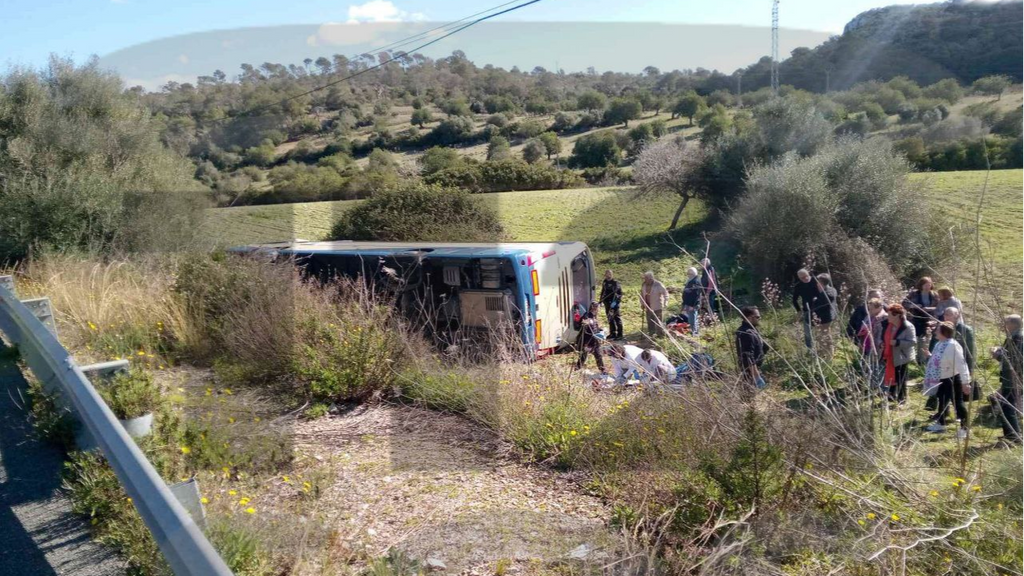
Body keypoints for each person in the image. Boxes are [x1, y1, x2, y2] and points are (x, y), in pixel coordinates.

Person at [924, 322, 971, 439]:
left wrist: (966, 382)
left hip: (952, 378)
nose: (935, 332)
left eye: (937, 330)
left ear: (943, 333)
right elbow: (940, 359)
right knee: (942, 400)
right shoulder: (940, 343)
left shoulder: (952, 346)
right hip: (941, 378)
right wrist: (930, 356)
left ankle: (965, 428)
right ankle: (941, 423)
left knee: (958, 403)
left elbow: (961, 364)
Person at [927, 307, 976, 411]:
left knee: (956, 396)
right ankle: (943, 414)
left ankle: (958, 417)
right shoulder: (941, 328)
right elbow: (935, 343)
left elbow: (970, 351)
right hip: (941, 367)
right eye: (945, 314)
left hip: (956, 367)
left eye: (949, 314)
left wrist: (969, 369)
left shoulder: (964, 330)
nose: (946, 317)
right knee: (943, 394)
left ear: (957, 315)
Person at [990, 315, 1024, 444]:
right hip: (1012, 377)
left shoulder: (1018, 338)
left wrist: (997, 355)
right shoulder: (1015, 336)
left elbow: (1015, 360)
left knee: (1008, 407)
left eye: (1005, 322)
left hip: (1013, 378)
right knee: (1007, 405)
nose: (1003, 325)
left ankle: (1013, 437)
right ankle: (1011, 435)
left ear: (1013, 324)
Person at [880, 304, 916, 404]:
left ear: (897, 316)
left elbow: (912, 342)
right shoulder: (887, 325)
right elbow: (883, 338)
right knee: (892, 375)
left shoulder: (908, 326)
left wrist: (897, 342)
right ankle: (891, 396)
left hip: (902, 356)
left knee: (901, 378)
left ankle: (902, 398)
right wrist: (882, 344)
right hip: (889, 355)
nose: (888, 316)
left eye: (890, 315)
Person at [903, 277, 938, 365]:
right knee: (914, 338)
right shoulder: (914, 294)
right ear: (921, 285)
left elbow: (939, 307)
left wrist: (929, 308)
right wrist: (913, 306)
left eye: (929, 285)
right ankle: (911, 358)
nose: (927, 287)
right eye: (925, 285)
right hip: (914, 318)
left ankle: (921, 360)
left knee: (924, 339)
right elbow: (904, 303)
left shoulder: (934, 295)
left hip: (928, 319)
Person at [857, 298, 888, 391]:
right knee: (868, 364)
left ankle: (877, 385)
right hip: (867, 343)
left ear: (879, 308)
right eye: (869, 308)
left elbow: (883, 333)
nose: (869, 310)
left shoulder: (885, 318)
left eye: (871, 308)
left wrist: (880, 344)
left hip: (878, 345)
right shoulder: (869, 316)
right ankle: (869, 384)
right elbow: (863, 326)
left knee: (878, 365)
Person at [736, 306, 766, 392]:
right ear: (749, 318)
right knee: (750, 396)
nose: (759, 318)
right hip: (750, 372)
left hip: (755, 368)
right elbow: (748, 356)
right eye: (757, 317)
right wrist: (756, 376)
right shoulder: (746, 333)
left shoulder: (752, 329)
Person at [792, 269, 824, 349]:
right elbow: (794, 300)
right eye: (802, 278)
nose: (805, 278)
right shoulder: (798, 286)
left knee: (821, 330)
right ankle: (810, 349)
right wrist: (799, 310)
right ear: (799, 278)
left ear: (808, 274)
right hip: (807, 310)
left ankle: (822, 348)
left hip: (819, 309)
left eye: (806, 276)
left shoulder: (816, 281)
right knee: (807, 332)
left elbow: (825, 293)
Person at [574, 302, 606, 373]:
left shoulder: (594, 317)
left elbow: (595, 328)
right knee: (583, 356)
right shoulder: (587, 317)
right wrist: (585, 344)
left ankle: (603, 370)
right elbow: (583, 330)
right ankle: (577, 369)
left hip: (594, 340)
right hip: (587, 341)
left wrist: (601, 331)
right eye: (598, 308)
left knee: (598, 356)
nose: (599, 309)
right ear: (594, 308)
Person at [813, 273, 838, 354]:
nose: (816, 283)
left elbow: (819, 305)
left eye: (818, 282)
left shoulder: (827, 293)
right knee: (822, 335)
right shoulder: (832, 289)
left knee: (825, 335)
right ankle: (824, 351)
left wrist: (815, 300)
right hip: (825, 317)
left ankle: (829, 353)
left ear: (821, 282)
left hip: (825, 318)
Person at [640, 271, 669, 339]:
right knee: (650, 322)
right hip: (648, 306)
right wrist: (642, 303)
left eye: (646, 278)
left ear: (651, 278)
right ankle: (651, 334)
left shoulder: (658, 285)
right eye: (644, 278)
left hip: (657, 306)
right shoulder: (644, 285)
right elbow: (641, 295)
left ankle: (660, 336)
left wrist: (665, 302)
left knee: (658, 322)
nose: (645, 280)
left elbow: (665, 294)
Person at [599, 270, 624, 340]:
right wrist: (600, 301)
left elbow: (620, 293)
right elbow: (603, 291)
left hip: (614, 303)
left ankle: (620, 334)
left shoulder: (615, 282)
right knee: (610, 318)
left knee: (617, 318)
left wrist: (616, 302)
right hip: (607, 303)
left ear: (612, 274)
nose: (608, 275)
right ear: (605, 275)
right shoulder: (605, 282)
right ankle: (612, 333)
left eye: (609, 274)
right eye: (607, 274)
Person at [682, 267, 704, 336]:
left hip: (693, 304)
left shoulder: (696, 282)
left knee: (693, 318)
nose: (688, 275)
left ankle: (695, 332)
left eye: (689, 273)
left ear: (693, 274)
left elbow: (696, 295)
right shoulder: (691, 280)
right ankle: (693, 331)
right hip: (689, 303)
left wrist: (692, 305)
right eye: (688, 273)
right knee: (691, 318)